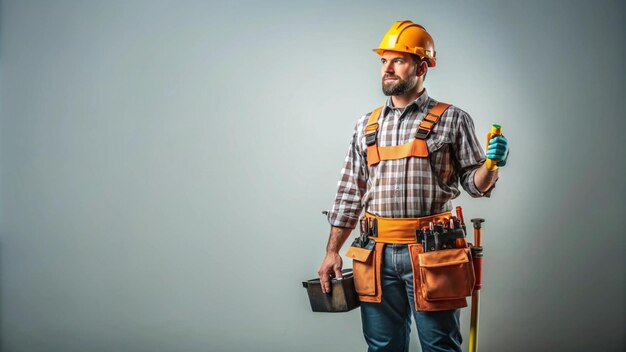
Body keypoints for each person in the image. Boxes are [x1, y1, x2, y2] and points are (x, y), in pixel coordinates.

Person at [317, 20, 509, 352]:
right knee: (382, 347)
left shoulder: (453, 119)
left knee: (440, 346)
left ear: (421, 66)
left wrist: (491, 167)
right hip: (375, 255)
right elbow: (349, 191)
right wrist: (332, 251)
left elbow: (475, 185)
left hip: (434, 254)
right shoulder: (366, 125)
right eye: (383, 61)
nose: (387, 69)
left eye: (398, 60)